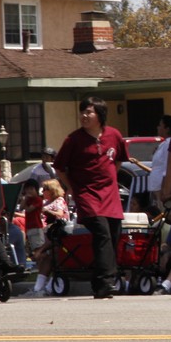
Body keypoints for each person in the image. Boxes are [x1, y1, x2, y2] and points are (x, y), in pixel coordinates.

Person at [54, 96, 129, 299]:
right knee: (102, 233)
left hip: (110, 194)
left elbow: (119, 160)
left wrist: (110, 179)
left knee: (113, 235)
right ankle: (106, 282)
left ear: (100, 115)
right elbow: (59, 168)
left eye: (89, 112)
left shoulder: (114, 135)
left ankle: (99, 283)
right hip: (87, 194)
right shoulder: (73, 140)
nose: (84, 116)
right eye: (82, 112)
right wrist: (72, 188)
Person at [22, 180, 69, 298]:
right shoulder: (46, 201)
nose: (42, 192)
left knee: (46, 256)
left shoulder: (59, 201)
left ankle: (46, 287)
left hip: (57, 233)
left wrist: (46, 211)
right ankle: (38, 288)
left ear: (52, 190)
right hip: (46, 232)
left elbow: (59, 214)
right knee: (44, 258)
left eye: (45, 189)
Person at [147, 115, 171, 210]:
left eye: (160, 125)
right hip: (156, 188)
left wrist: (165, 190)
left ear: (167, 129)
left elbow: (168, 166)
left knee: (167, 214)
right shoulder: (164, 144)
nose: (158, 127)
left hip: (161, 188)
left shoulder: (169, 144)